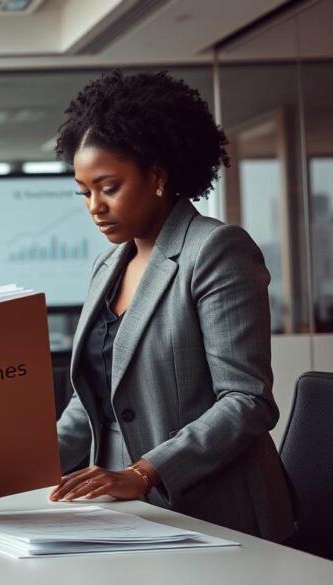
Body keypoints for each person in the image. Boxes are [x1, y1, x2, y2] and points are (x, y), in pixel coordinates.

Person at [48, 71, 295, 542]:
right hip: (122, 509)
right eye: (84, 192)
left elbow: (247, 400)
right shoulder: (107, 265)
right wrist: (18, 471)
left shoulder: (216, 250)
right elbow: (93, 401)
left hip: (213, 509)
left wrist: (144, 472)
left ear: (158, 175)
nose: (94, 206)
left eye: (109, 186)